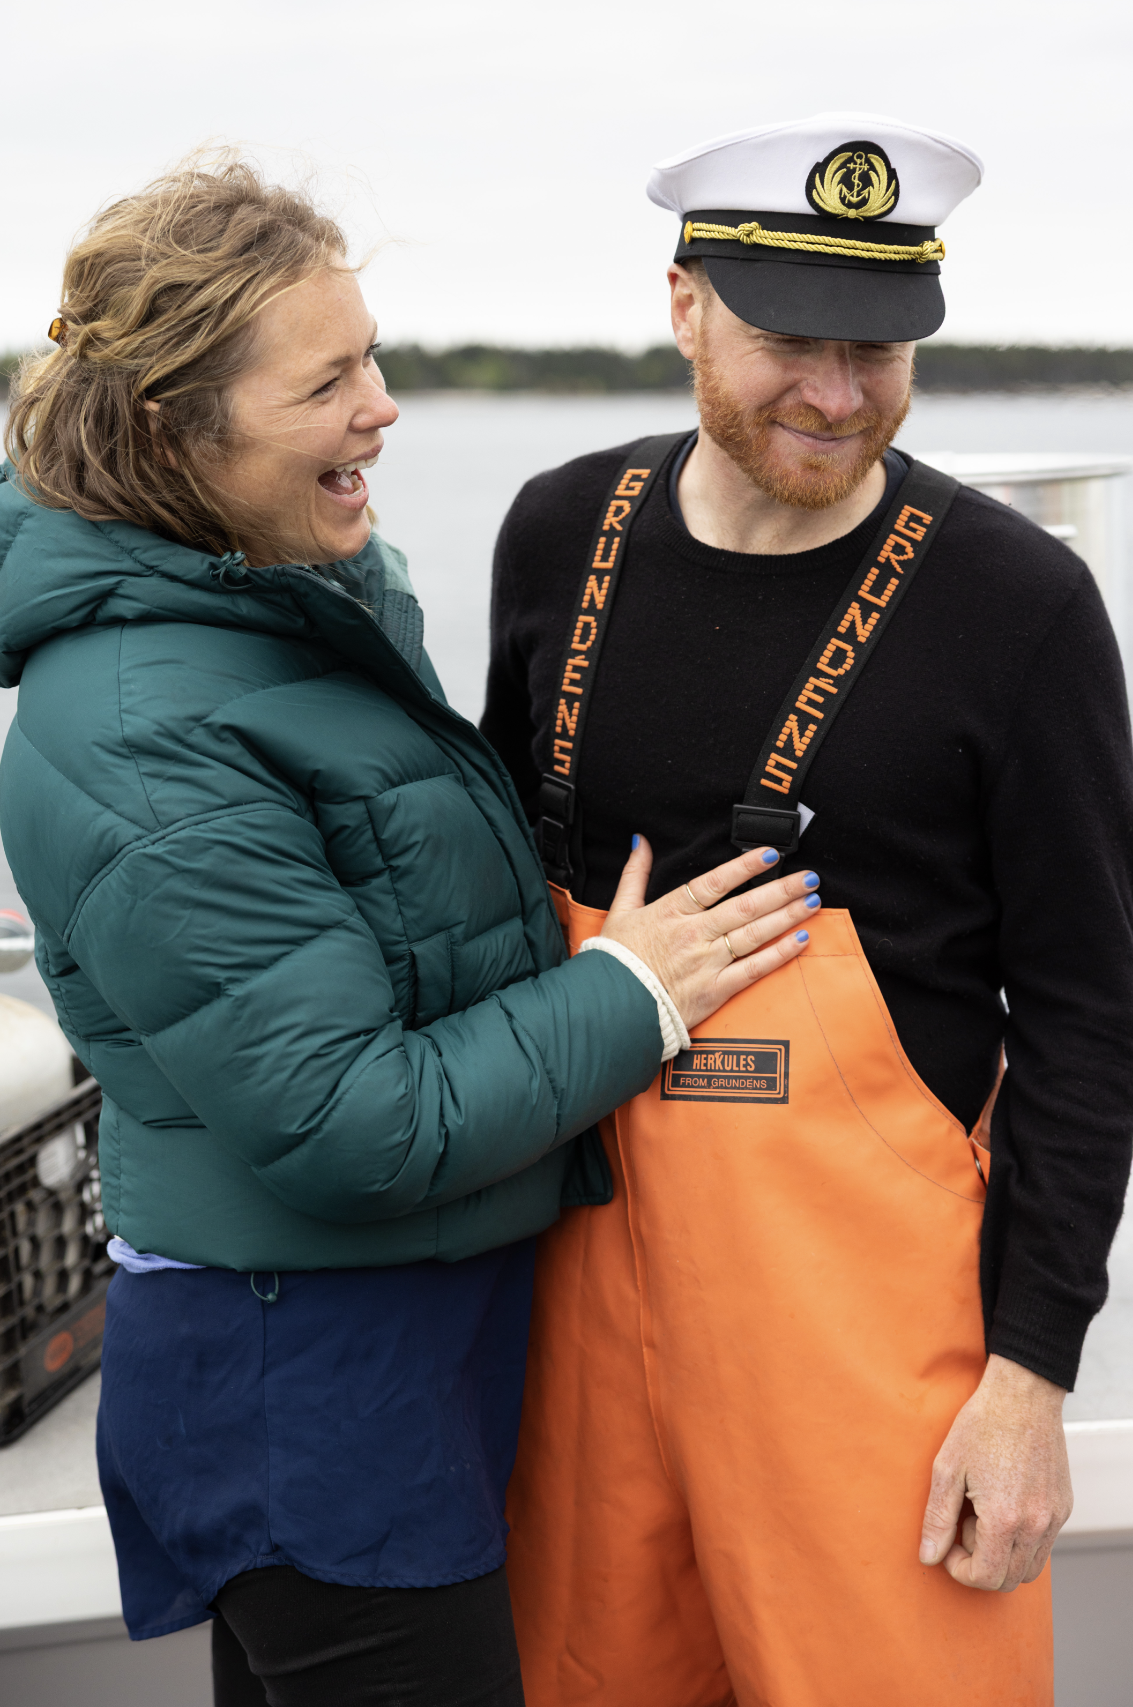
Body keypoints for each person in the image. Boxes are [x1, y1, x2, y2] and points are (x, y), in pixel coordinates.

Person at [0, 159, 821, 1707]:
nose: (384, 407)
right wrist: (634, 992)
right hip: (305, 1388)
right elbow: (351, 1121)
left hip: (395, 1351)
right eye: (326, 380)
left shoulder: (278, 604)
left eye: (372, 354)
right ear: (176, 434)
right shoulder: (142, 729)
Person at [481, 113, 1133, 1705]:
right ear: (687, 304)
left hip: (870, 1361)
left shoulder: (1020, 606)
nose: (839, 396)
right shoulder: (558, 532)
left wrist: (1030, 1378)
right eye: (790, 342)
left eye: (883, 350)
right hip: (580, 1318)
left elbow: (1087, 1011)